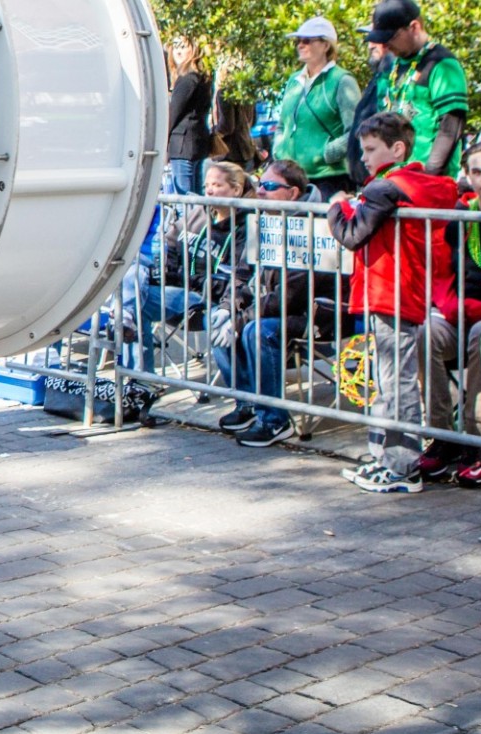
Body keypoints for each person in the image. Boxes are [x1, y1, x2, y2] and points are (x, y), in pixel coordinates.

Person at [328, 111, 457, 493]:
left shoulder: (387, 187)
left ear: (397, 149)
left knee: (396, 381)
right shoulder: (399, 184)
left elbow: (352, 235)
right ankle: (385, 457)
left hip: (393, 291)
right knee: (387, 380)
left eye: (370, 150)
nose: (364, 158)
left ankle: (402, 467)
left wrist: (337, 206)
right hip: (390, 290)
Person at [218, 160, 335, 448]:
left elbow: (291, 295)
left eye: (269, 187)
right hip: (275, 308)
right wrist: (226, 307)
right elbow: (242, 275)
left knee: (255, 330)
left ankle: (274, 420)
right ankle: (248, 404)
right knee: (217, 319)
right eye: (260, 185)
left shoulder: (311, 225)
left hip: (316, 314)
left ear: (293, 193)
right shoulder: (263, 219)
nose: (260, 192)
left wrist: (241, 318)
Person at [130, 162, 253, 371]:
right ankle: (140, 381)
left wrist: (186, 278)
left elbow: (233, 279)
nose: (209, 191)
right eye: (206, 186)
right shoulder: (197, 213)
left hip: (216, 302)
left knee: (217, 324)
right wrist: (170, 272)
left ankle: (245, 398)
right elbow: (170, 242)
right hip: (181, 291)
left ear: (236, 190)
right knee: (134, 301)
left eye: (216, 184)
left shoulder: (247, 226)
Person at [423, 141, 481, 481]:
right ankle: (442, 437)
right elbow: (443, 278)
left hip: (476, 322)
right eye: (476, 171)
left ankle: (475, 439)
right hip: (460, 314)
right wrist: (452, 308)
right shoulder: (460, 218)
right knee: (426, 333)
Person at [360, 0, 467, 177]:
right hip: (392, 178)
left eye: (391, 38)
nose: (385, 46)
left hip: (427, 178)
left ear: (414, 27)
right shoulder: (392, 67)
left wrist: (430, 174)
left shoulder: (442, 64)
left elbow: (451, 125)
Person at [274, 18, 360, 197]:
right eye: (298, 41)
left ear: (326, 45)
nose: (300, 45)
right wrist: (279, 151)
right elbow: (283, 124)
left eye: (307, 40)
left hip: (328, 179)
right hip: (292, 179)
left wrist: (327, 153)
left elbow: (356, 130)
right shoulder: (294, 81)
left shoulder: (342, 80)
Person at [166, 35, 213, 195]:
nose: (178, 51)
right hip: (196, 144)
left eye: (183, 47)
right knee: (195, 198)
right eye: (176, 46)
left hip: (183, 145)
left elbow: (173, 113)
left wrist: (162, 141)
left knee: (184, 201)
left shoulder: (188, 79)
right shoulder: (201, 77)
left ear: (193, 50)